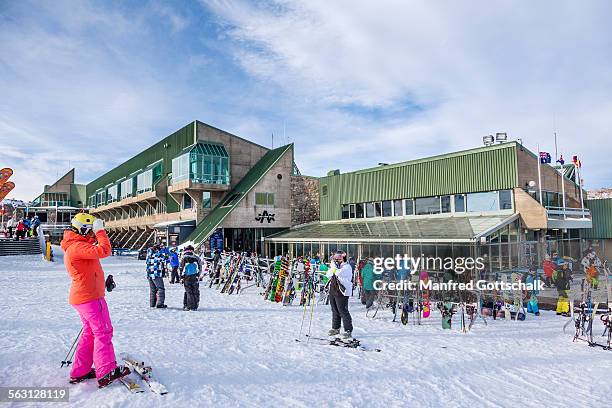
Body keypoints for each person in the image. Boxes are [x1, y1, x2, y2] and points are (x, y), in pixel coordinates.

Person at [60, 213, 130, 388]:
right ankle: (106, 371)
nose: (92, 234)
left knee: (90, 333)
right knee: (103, 332)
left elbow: (89, 267)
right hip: (90, 298)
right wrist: (100, 232)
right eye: (89, 231)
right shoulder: (76, 247)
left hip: (85, 296)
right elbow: (104, 250)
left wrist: (101, 281)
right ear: (83, 230)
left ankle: (80, 371)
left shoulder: (76, 245)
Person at [326, 251, 354, 338]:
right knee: (335, 310)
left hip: (342, 292)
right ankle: (335, 328)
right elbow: (328, 274)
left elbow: (338, 273)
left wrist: (334, 267)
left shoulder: (347, 267)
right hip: (333, 291)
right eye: (335, 258)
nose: (337, 260)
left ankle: (348, 330)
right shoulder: (335, 267)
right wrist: (333, 267)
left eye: (339, 258)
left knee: (343, 311)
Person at [180, 245, 202, 311]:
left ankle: (188, 305)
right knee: (195, 291)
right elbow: (200, 267)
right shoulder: (197, 258)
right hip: (195, 277)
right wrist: (198, 275)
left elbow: (181, 268)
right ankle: (195, 305)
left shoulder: (183, 258)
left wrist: (181, 277)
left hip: (186, 277)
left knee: (188, 291)